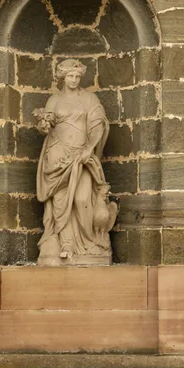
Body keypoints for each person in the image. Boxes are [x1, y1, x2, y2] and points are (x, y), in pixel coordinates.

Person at [34, 59, 117, 265]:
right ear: (63, 77)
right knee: (61, 202)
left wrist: (89, 148)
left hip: (82, 155)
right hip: (57, 156)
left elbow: (98, 125)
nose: (74, 79)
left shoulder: (89, 99)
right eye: (70, 76)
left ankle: (90, 243)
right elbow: (47, 126)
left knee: (81, 199)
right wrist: (43, 125)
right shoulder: (54, 100)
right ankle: (66, 244)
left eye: (77, 76)